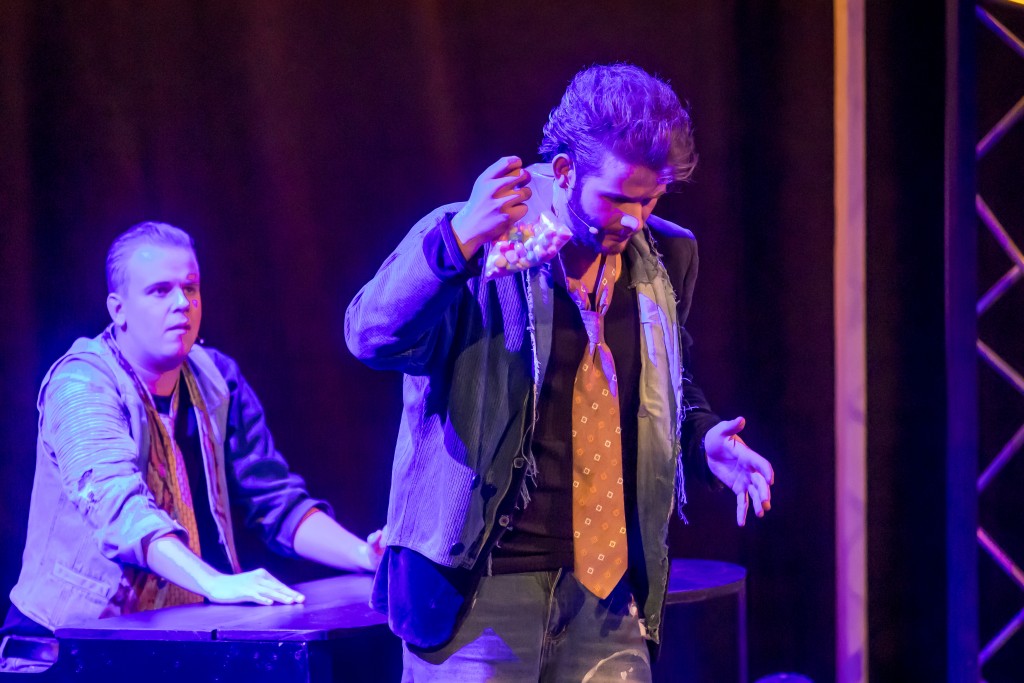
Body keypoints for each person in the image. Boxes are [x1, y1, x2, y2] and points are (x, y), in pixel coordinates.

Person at [345, 63, 775, 682]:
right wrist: (456, 243)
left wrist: (703, 438)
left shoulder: (667, 256)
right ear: (567, 171)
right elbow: (371, 337)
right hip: (481, 592)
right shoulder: (483, 237)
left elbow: (665, 385)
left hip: (606, 592)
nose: (634, 219)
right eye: (618, 198)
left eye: (650, 198)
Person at [1, 222, 384, 672]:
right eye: (160, 291)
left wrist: (364, 557)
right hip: (62, 648)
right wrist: (214, 582)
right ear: (118, 309)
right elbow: (120, 509)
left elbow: (274, 500)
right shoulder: (81, 381)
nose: (182, 303)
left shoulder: (216, 376)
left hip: (165, 640)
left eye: (190, 288)